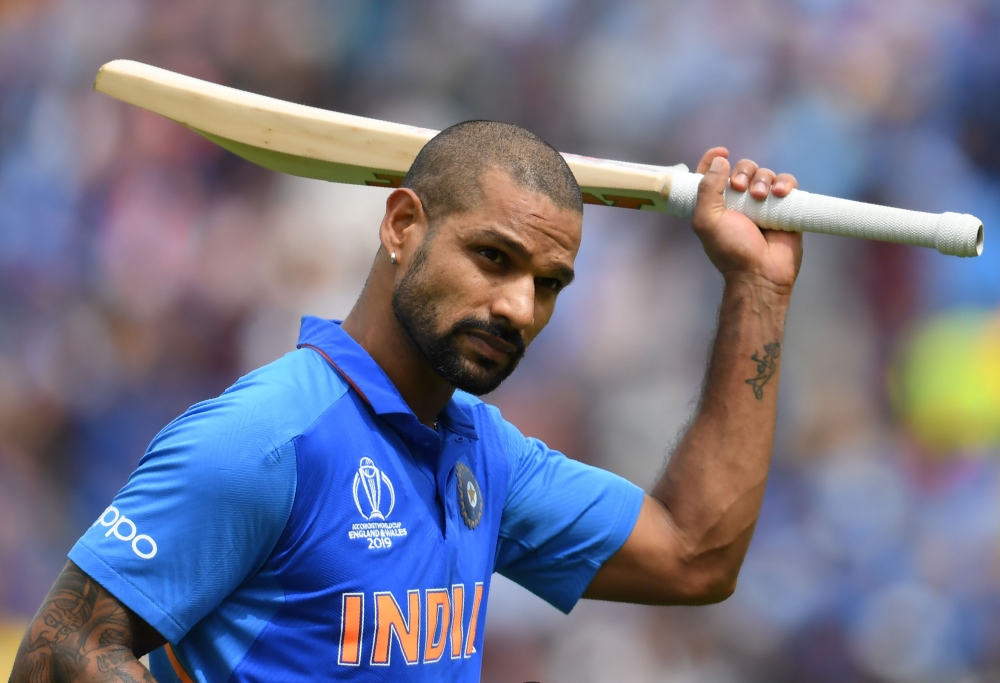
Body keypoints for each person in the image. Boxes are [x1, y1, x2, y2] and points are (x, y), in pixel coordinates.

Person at [10, 121, 802, 682]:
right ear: (402, 225)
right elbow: (62, 652)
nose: (519, 308)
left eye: (548, 284)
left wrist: (757, 290)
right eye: (494, 257)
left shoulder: (487, 455)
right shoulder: (268, 435)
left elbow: (695, 554)